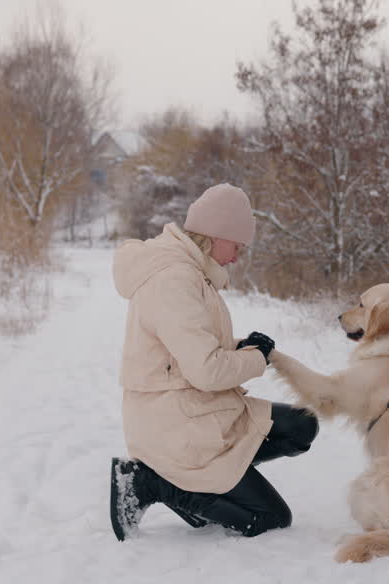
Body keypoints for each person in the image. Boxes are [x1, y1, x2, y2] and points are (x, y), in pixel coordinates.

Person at [108, 183, 318, 541]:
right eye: (237, 246)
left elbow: (192, 349)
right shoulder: (174, 279)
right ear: (216, 235)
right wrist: (254, 359)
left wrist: (243, 347)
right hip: (175, 425)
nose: (237, 257)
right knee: (271, 518)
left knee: (301, 426)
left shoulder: (189, 272)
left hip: (197, 409)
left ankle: (204, 485)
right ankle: (155, 482)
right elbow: (206, 371)